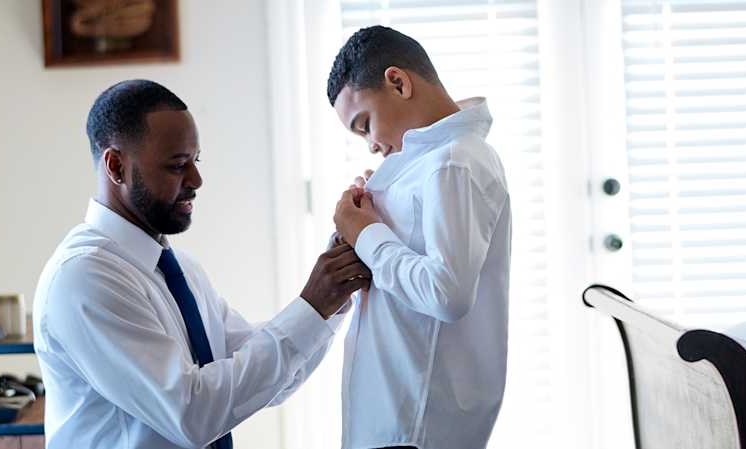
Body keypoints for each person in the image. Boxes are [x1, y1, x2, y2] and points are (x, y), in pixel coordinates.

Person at [33, 79, 370, 449]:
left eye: (195, 160)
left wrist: (331, 297)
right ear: (116, 166)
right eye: (178, 165)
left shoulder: (179, 270)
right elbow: (192, 414)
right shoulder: (84, 276)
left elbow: (270, 380)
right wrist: (313, 305)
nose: (196, 180)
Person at [326, 26, 514, 449]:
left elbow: (447, 293)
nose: (371, 145)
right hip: (396, 422)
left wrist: (367, 231)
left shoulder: (454, 163)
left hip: (415, 429)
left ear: (398, 82)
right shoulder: (429, 163)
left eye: (365, 124)